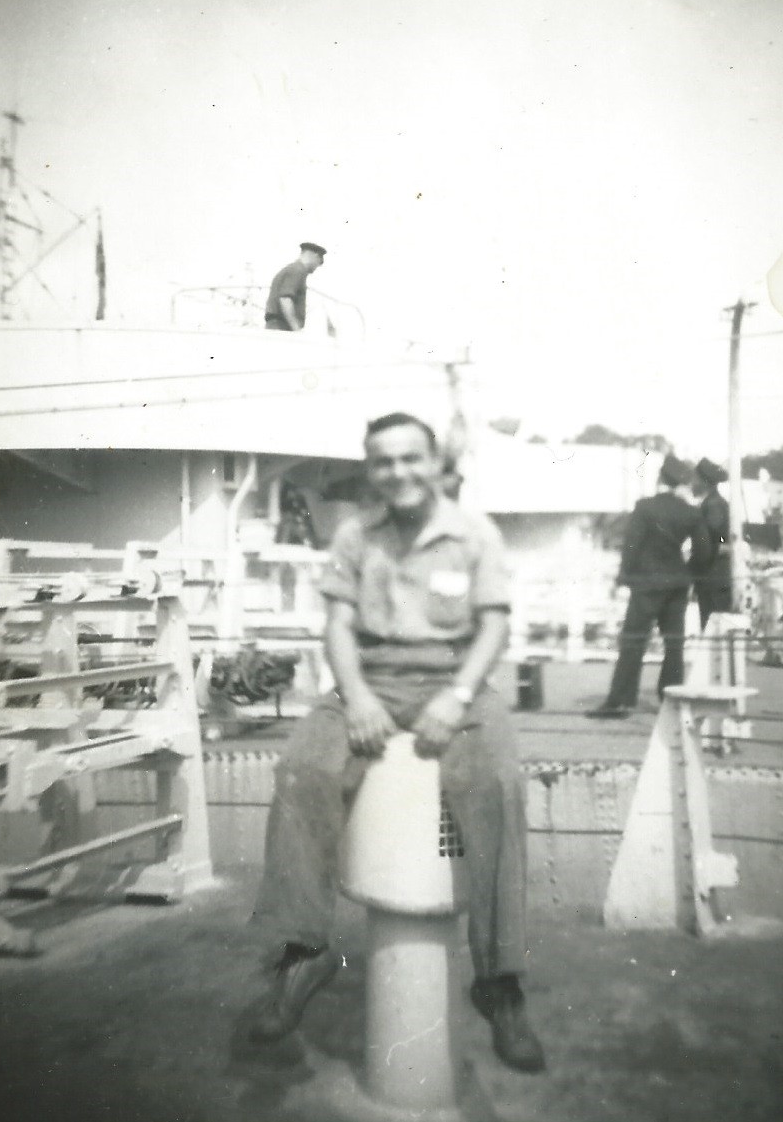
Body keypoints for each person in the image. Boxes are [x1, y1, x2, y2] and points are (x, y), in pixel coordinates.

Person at [249, 411, 546, 1074]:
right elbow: (337, 625)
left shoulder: (473, 534)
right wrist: (355, 697)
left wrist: (457, 696)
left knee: (496, 782)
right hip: (372, 679)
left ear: (435, 463)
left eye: (411, 458)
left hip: (455, 680)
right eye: (383, 460)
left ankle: (499, 980)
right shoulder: (356, 535)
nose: (398, 471)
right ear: (370, 468)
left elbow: (494, 628)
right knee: (301, 770)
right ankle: (304, 951)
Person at [585, 453, 710, 719]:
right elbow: (703, 552)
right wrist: (688, 574)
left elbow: (631, 546)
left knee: (633, 641)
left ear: (660, 479)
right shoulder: (691, 512)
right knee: (674, 644)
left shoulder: (644, 507)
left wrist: (622, 578)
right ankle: (671, 701)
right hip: (677, 585)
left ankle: (620, 702)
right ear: (680, 483)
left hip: (646, 584)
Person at [691, 457, 733, 629]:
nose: (692, 483)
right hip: (714, 577)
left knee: (714, 628)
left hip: (714, 578)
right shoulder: (713, 503)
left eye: (695, 479)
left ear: (704, 481)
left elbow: (710, 540)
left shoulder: (714, 505)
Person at [264, 242, 326, 330]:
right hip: (282, 326)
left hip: (277, 325)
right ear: (315, 256)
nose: (317, 267)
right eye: (319, 262)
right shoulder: (297, 270)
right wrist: (296, 328)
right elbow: (285, 298)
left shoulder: (291, 269)